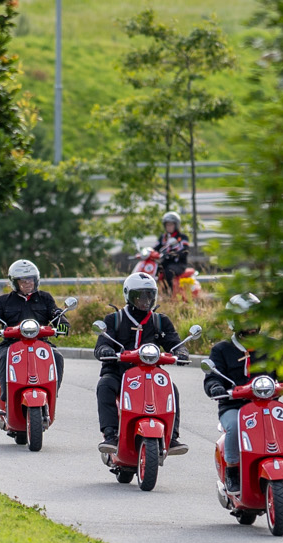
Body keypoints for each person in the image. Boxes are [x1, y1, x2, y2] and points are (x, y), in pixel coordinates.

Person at [94, 271, 182, 460]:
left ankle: (172, 437)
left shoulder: (160, 321)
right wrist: (105, 351)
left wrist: (180, 352)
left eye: (149, 295)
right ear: (128, 295)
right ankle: (110, 435)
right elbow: (102, 343)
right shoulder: (114, 319)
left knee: (172, 390)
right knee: (105, 386)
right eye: (139, 295)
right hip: (119, 371)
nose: (145, 300)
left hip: (150, 371)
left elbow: (174, 343)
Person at [202, 292, 263, 495]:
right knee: (237, 425)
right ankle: (233, 471)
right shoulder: (221, 349)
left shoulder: (272, 347)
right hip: (233, 407)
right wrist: (216, 387)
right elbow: (212, 376)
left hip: (266, 406)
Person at [0, 259, 67, 395]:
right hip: (12, 343)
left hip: (41, 342)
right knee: (4, 357)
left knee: (57, 357)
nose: (28, 283)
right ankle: (6, 396)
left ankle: (52, 393)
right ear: (15, 282)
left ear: (36, 280)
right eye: (23, 280)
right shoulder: (3, 301)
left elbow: (55, 314)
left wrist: (62, 324)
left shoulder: (45, 298)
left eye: (31, 279)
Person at [155, 211, 191, 294]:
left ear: (176, 225)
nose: (169, 227)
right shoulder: (163, 237)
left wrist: (174, 254)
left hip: (179, 264)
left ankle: (169, 294)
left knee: (169, 271)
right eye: (167, 225)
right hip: (165, 263)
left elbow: (185, 250)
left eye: (171, 224)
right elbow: (156, 248)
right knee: (154, 270)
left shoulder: (182, 237)